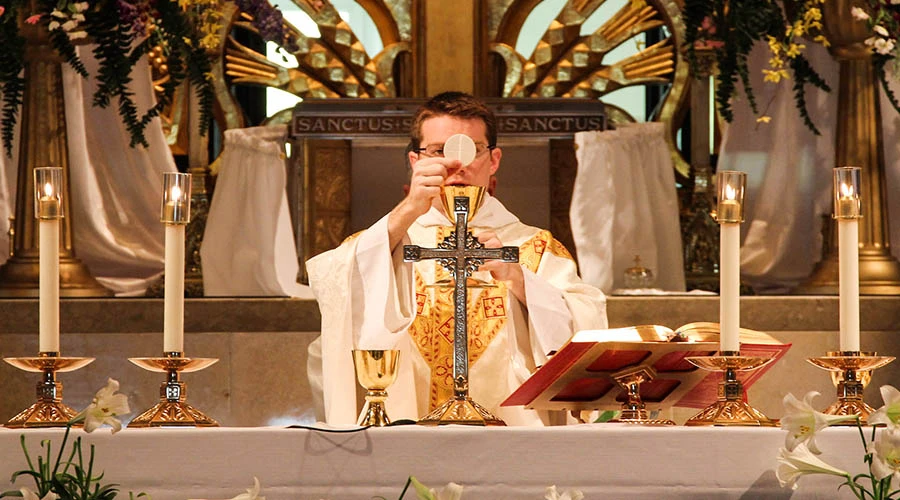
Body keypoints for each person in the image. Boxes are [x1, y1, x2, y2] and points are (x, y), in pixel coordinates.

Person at [306, 92, 608, 425]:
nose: (456, 164)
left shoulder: (532, 247)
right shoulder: (384, 244)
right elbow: (336, 286)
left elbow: (587, 329)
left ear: (493, 160)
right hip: (406, 434)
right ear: (415, 161)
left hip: (511, 438)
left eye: (472, 149)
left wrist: (521, 280)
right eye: (439, 151)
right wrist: (409, 210)